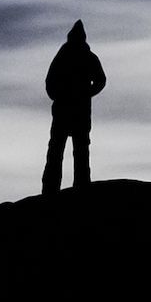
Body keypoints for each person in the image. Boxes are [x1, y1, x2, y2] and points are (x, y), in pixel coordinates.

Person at [42, 19, 106, 194]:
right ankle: (54, 188)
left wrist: (86, 93)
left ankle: (78, 185)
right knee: (61, 148)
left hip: (76, 109)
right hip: (69, 109)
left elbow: (101, 80)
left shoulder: (81, 56)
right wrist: (60, 95)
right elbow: (50, 82)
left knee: (76, 148)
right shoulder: (70, 55)